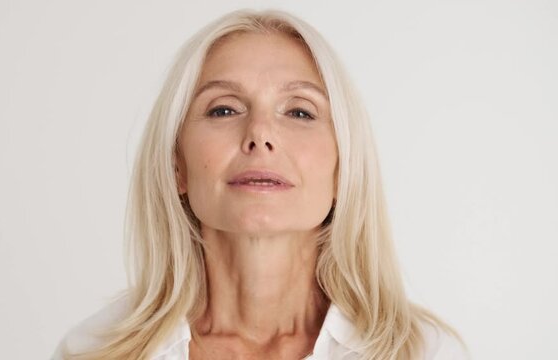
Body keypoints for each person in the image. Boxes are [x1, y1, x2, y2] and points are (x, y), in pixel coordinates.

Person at [52, 8, 470, 360]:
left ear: (344, 169)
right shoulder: (94, 351)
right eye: (223, 109)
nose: (260, 134)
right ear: (176, 163)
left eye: (300, 112)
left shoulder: (425, 352)